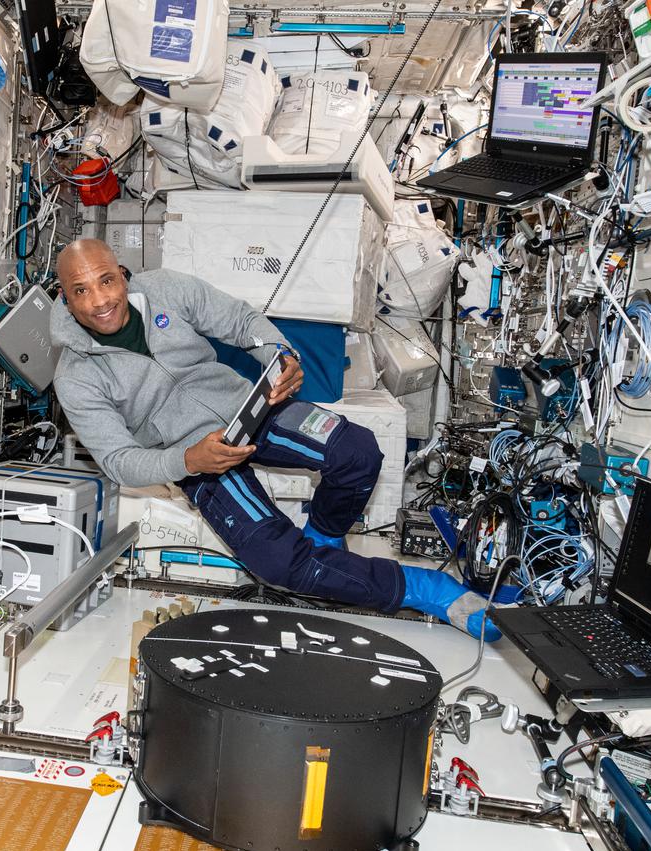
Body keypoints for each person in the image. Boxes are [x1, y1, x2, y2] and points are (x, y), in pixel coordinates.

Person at [50, 238, 498, 640]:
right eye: (81, 291)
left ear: (123, 276)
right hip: (193, 458)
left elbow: (241, 321)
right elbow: (118, 460)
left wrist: (280, 355)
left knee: (357, 452)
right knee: (278, 562)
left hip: (249, 411)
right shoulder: (75, 376)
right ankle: (426, 589)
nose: (100, 300)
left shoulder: (166, 288)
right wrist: (188, 460)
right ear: (66, 300)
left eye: (106, 281)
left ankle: (324, 541)